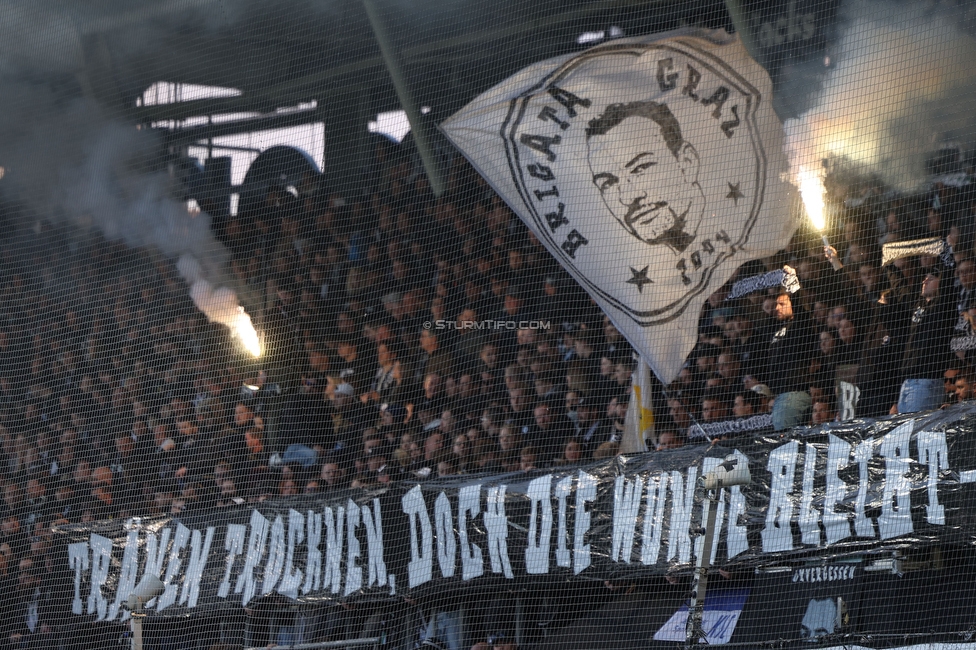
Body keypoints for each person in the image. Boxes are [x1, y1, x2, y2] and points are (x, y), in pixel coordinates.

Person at [893, 267, 959, 413]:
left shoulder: (943, 306)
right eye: (925, 278)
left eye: (931, 279)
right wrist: (890, 266)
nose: (925, 281)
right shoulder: (918, 304)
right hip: (908, 381)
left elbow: (947, 279)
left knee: (915, 430)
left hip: (926, 381)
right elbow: (900, 289)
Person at [763, 289, 818, 430]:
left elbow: (801, 309)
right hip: (781, 396)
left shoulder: (800, 325)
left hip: (793, 395)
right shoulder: (776, 327)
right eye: (776, 304)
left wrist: (792, 284)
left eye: (782, 304)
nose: (777, 308)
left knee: (785, 442)